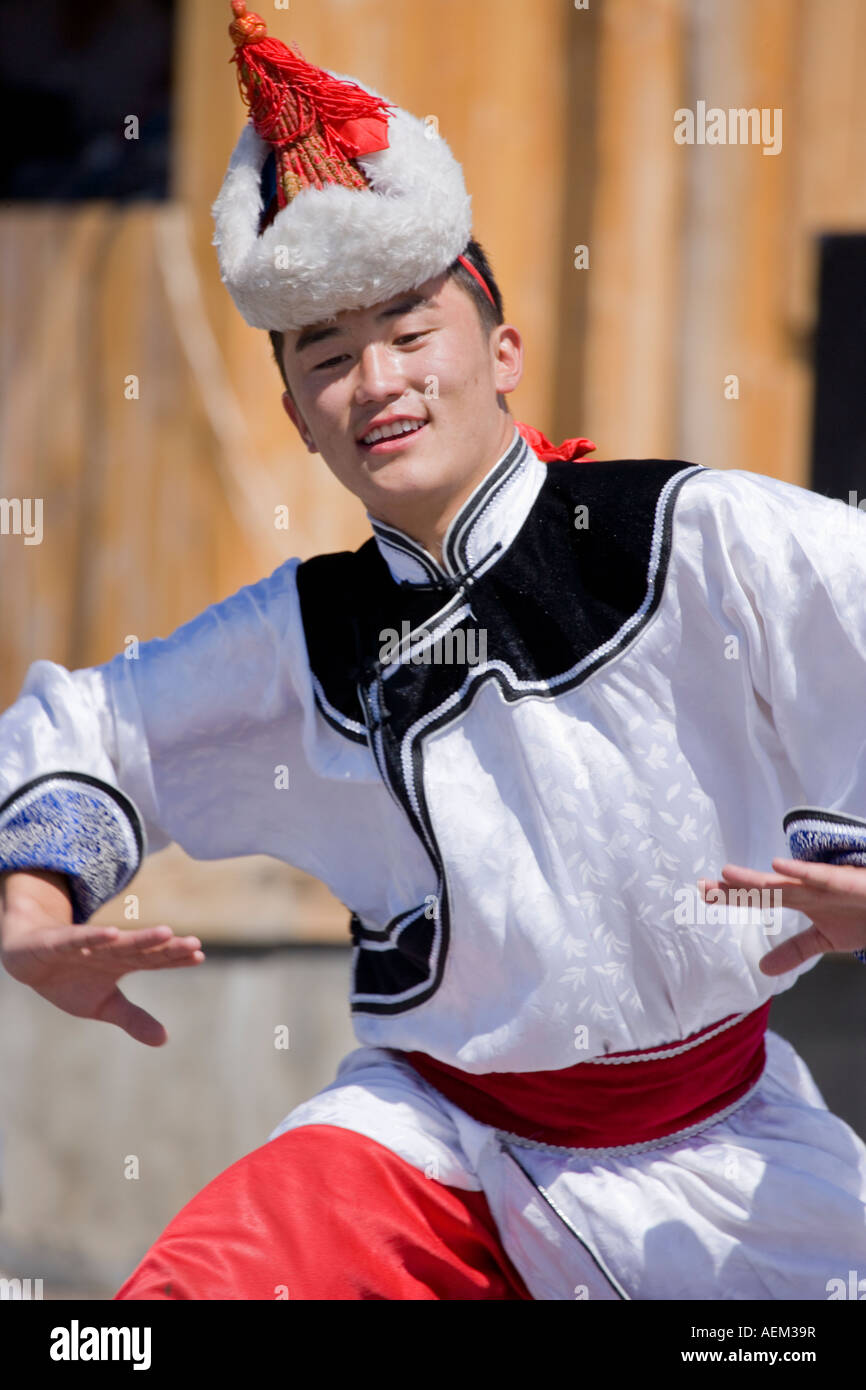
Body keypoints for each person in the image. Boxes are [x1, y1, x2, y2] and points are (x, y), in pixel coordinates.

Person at [1, 3, 865, 1300]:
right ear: (298, 415)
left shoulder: (694, 534)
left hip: (727, 1169)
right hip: (427, 1150)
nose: (378, 381)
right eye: (330, 358)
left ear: (502, 351)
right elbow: (100, 726)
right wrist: (31, 907)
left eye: (410, 332)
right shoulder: (302, 635)